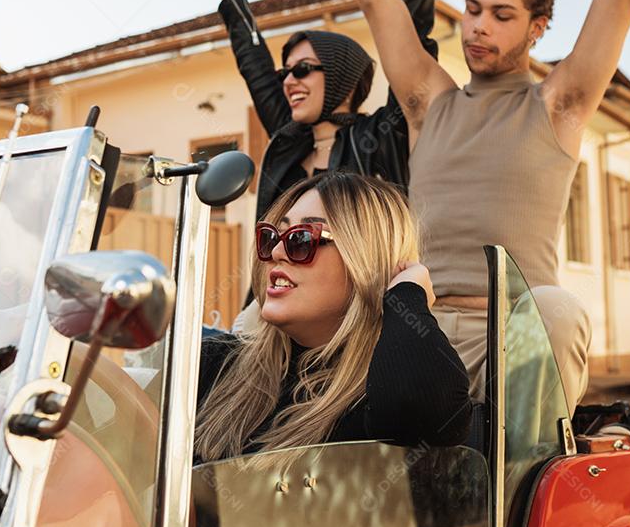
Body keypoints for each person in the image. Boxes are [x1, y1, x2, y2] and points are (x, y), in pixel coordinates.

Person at [356, 0, 630, 408]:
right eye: (472, 8)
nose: (478, 27)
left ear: (538, 28)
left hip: (515, 338)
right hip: (421, 336)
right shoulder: (429, 102)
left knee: (560, 309)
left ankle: (523, 479)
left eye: (502, 15)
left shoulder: (559, 104)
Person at [192, 0, 467, 222]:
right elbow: (256, 67)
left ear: (341, 76)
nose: (289, 81)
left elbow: (410, 30)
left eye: (303, 70)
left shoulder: (383, 136)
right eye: (287, 72)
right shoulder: (288, 139)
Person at [193, 172, 470, 464]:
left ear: (363, 260)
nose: (276, 252)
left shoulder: (376, 397)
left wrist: (406, 294)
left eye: (300, 240)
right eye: (272, 237)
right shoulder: (215, 363)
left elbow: (424, 413)